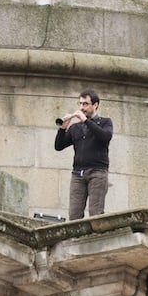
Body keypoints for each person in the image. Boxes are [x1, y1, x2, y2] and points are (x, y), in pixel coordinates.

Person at [54, 90, 113, 220]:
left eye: (85, 104)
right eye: (80, 104)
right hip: (77, 174)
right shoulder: (75, 128)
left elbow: (105, 137)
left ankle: (96, 240)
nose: (81, 107)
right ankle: (75, 240)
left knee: (95, 214)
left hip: (97, 173)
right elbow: (58, 146)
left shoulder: (105, 122)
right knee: (74, 214)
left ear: (95, 105)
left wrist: (86, 121)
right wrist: (63, 129)